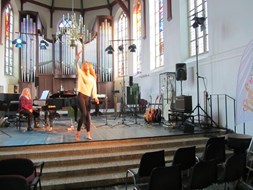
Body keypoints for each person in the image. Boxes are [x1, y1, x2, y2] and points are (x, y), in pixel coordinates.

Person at [75, 51, 99, 141]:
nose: (85, 65)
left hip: (88, 97)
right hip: (81, 95)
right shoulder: (81, 73)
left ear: (89, 66)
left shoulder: (93, 78)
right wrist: (77, 58)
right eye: (84, 64)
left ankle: (88, 134)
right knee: (84, 114)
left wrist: (95, 97)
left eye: (86, 64)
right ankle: (78, 132)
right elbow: (76, 65)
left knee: (88, 116)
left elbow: (94, 88)